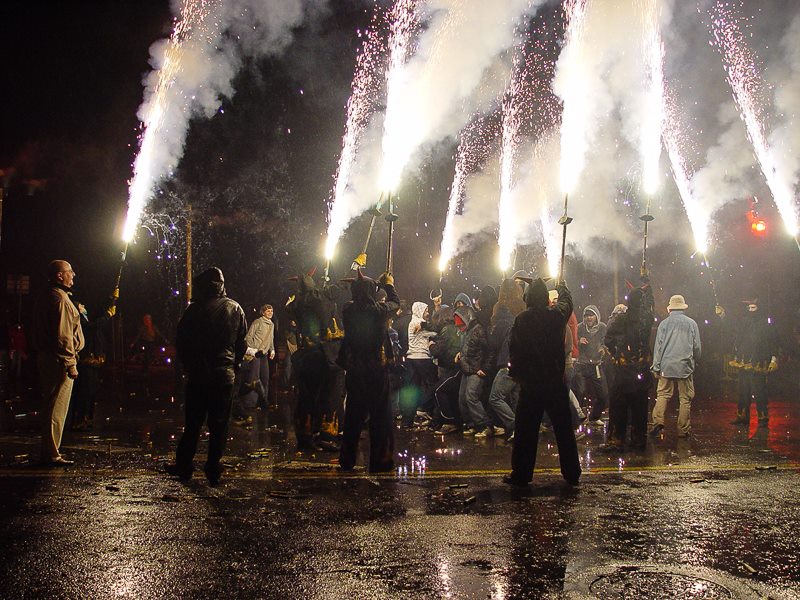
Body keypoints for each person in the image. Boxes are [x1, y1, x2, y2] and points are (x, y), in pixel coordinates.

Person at [167, 267, 247, 485]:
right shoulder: (235, 308)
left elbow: (181, 342)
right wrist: (233, 364)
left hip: (199, 376)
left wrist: (188, 366)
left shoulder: (194, 310)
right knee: (219, 423)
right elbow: (241, 343)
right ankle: (213, 467)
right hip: (223, 375)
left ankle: (184, 464)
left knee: (193, 422)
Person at [504, 278, 580, 487]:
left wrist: (517, 375)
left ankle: (522, 473)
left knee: (525, 432)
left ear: (528, 298)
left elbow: (515, 351)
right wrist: (563, 286)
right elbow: (567, 303)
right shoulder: (556, 317)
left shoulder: (522, 320)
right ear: (546, 298)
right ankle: (572, 473)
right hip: (554, 382)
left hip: (531, 385)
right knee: (564, 430)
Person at [337, 270, 399, 472]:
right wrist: (388, 285)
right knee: (380, 416)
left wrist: (374, 285)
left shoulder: (348, 310)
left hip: (355, 368)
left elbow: (362, 296)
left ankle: (347, 460)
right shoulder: (378, 311)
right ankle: (379, 462)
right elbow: (395, 303)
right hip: (375, 370)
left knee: (353, 416)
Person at [32, 260, 85, 466]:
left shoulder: (50, 296)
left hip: (49, 358)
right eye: (69, 272)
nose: (73, 275)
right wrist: (70, 363)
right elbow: (63, 337)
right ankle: (51, 452)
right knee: (56, 408)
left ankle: (50, 450)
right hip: (58, 361)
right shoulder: (60, 300)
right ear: (59, 276)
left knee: (52, 405)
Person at [286, 269, 336, 451]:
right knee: (312, 398)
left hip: (305, 355)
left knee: (308, 398)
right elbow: (327, 308)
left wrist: (321, 288)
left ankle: (311, 436)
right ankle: (307, 438)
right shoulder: (315, 300)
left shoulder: (296, 302)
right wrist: (324, 288)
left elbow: (293, 307)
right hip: (315, 354)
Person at [601, 283, 654, 452]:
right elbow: (650, 307)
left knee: (619, 406)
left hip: (624, 372)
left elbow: (608, 339)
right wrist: (647, 284)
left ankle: (617, 438)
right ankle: (638, 440)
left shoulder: (622, 319)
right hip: (641, 371)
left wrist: (617, 354)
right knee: (640, 409)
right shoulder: (646, 320)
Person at [650, 294, 701, 438]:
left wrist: (656, 367)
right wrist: (696, 360)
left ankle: (657, 422)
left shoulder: (663, 324)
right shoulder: (692, 324)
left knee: (663, 395)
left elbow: (658, 348)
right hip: (685, 366)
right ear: (683, 308)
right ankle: (683, 430)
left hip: (667, 365)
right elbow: (697, 347)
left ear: (670, 309)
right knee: (685, 398)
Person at [483, 279, 525, 439]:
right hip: (520, 361)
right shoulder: (521, 309)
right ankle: (520, 430)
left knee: (495, 397)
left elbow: (494, 342)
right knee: (515, 399)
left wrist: (489, 327)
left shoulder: (503, 312)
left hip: (508, 361)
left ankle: (515, 426)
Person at [728, 299, 778, 426]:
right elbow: (736, 334)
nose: (751, 310)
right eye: (749, 308)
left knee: (759, 391)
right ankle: (742, 416)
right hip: (744, 360)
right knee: (743, 390)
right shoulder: (744, 322)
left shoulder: (765, 324)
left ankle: (763, 418)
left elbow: (772, 341)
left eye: (753, 307)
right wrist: (723, 316)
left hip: (759, 361)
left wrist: (773, 358)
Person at [69, 298, 115, 431]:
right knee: (84, 391)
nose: (84, 305)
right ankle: (80, 418)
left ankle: (88, 418)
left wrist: (111, 300)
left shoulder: (86, 318)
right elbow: (93, 327)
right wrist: (108, 315)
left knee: (91, 391)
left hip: (94, 361)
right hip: (85, 361)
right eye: (81, 305)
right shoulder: (80, 320)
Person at [455, 305, 491, 435]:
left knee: (471, 396)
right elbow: (468, 348)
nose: (459, 327)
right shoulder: (467, 332)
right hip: (468, 369)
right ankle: (471, 424)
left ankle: (484, 425)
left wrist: (484, 368)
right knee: (462, 398)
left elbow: (488, 351)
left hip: (476, 370)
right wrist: (460, 354)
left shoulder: (478, 330)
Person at [403, 301, 438, 427]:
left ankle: (407, 421)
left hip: (411, 359)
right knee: (433, 386)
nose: (427, 313)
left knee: (413, 389)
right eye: (426, 311)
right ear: (419, 311)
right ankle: (424, 408)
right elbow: (435, 333)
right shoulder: (418, 323)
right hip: (422, 358)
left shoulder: (412, 322)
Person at [573, 304, 609, 423]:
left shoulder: (602, 327)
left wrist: (602, 348)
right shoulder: (579, 327)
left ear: (596, 316)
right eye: (586, 315)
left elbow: (606, 342)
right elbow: (572, 342)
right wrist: (579, 342)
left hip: (596, 365)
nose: (589, 318)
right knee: (580, 391)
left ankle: (594, 417)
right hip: (581, 365)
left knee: (603, 394)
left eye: (591, 315)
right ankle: (576, 419)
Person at [240, 304, 276, 410]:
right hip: (256, 355)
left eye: (272, 311)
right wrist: (254, 350)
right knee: (254, 379)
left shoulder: (272, 324)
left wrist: (272, 349)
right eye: (268, 311)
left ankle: (263, 402)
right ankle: (251, 403)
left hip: (264, 355)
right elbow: (248, 337)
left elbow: (271, 338)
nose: (270, 313)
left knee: (265, 378)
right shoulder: (257, 322)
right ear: (263, 312)